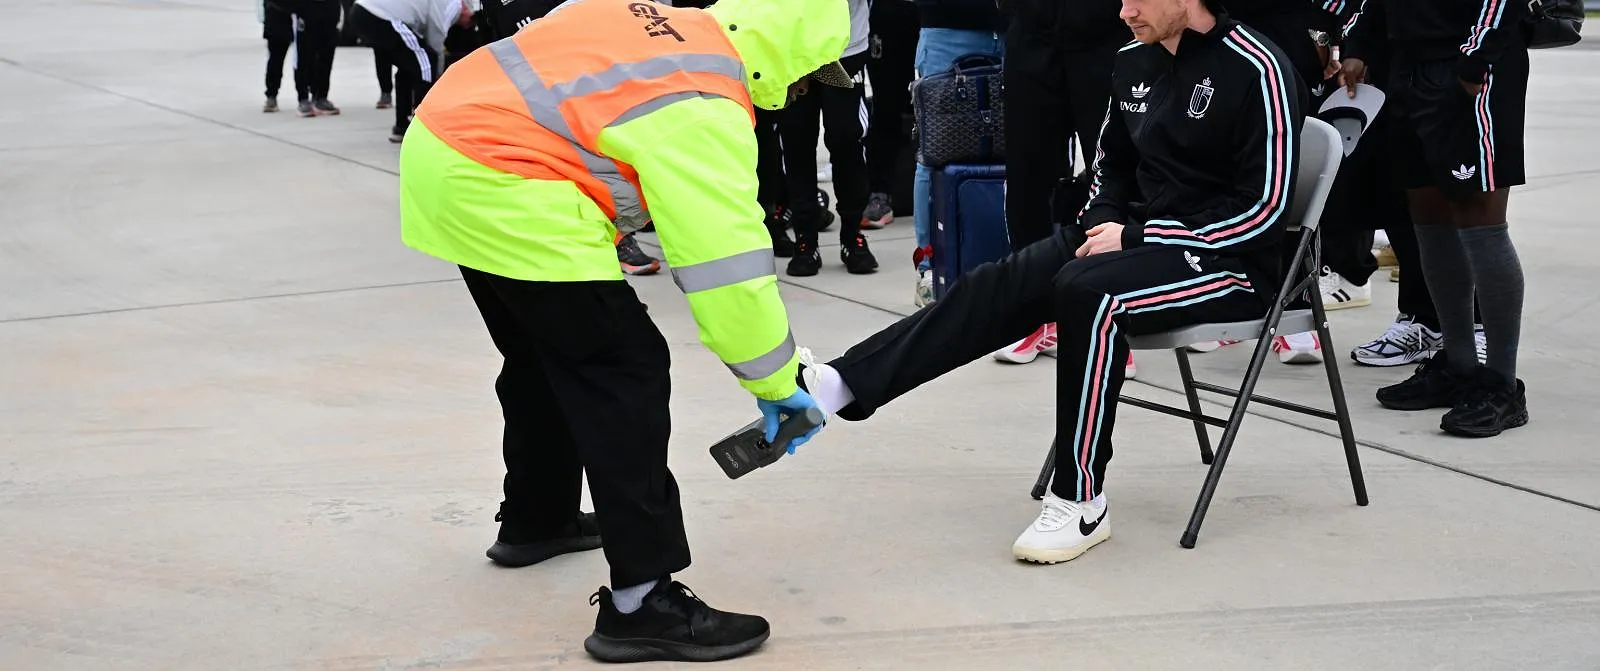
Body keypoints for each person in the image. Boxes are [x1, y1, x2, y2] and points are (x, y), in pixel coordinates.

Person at [395, 0, 851, 661]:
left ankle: (537, 515)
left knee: (542, 346)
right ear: (783, 54)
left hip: (444, 146)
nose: (803, 91)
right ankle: (641, 600)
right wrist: (778, 383)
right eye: (808, 76)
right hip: (506, 177)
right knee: (625, 366)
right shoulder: (705, 99)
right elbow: (726, 267)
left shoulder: (656, 21)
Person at [794, 0, 1304, 564]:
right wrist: (1107, 219)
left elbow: (1265, 209)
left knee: (1089, 294)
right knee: (1001, 280)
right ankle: (842, 383)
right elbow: (1110, 165)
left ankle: (1080, 500)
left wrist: (1139, 236)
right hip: (1133, 239)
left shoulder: (1259, 67)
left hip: (1229, 264)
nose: (1125, 10)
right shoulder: (1134, 58)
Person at [1341, 0, 1531, 437]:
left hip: (1473, 65)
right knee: (1428, 218)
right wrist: (1360, 43)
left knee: (1479, 220)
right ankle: (1460, 367)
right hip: (1406, 64)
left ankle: (1501, 385)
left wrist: (1477, 56)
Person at [906, 0, 1007, 306]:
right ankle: (929, 268)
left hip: (1013, 28)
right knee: (937, 150)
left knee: (1012, 149)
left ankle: (1006, 259)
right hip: (947, 28)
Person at [779, 0, 879, 276]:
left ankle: (852, 235)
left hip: (845, 46)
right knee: (796, 141)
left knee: (846, 139)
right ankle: (805, 240)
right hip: (792, 48)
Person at [347, 0, 474, 142]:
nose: (468, 25)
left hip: (362, 13)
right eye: (470, 20)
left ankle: (402, 127)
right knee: (427, 64)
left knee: (407, 69)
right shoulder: (454, 5)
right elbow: (436, 30)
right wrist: (438, 70)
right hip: (380, 16)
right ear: (465, 8)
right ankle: (425, 126)